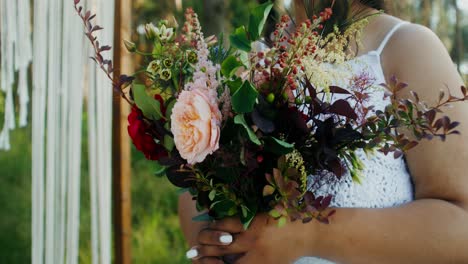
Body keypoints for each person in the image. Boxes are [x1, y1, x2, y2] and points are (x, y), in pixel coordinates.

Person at [178, 0, 468, 263]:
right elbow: (198, 189)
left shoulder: (407, 47)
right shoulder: (254, 57)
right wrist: (212, 244)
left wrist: (308, 236)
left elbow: (460, 227)